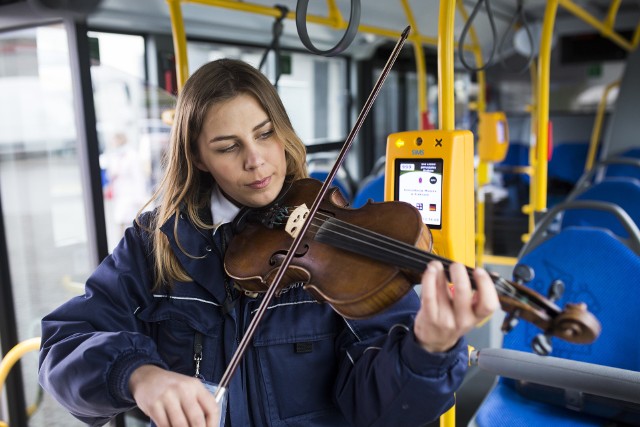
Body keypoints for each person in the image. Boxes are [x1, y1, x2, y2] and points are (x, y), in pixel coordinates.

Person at [39, 58, 499, 427]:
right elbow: (62, 347)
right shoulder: (153, 244)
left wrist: (429, 350)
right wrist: (139, 375)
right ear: (198, 157)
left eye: (264, 134)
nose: (256, 161)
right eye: (227, 147)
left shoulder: (343, 248)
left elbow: (386, 411)